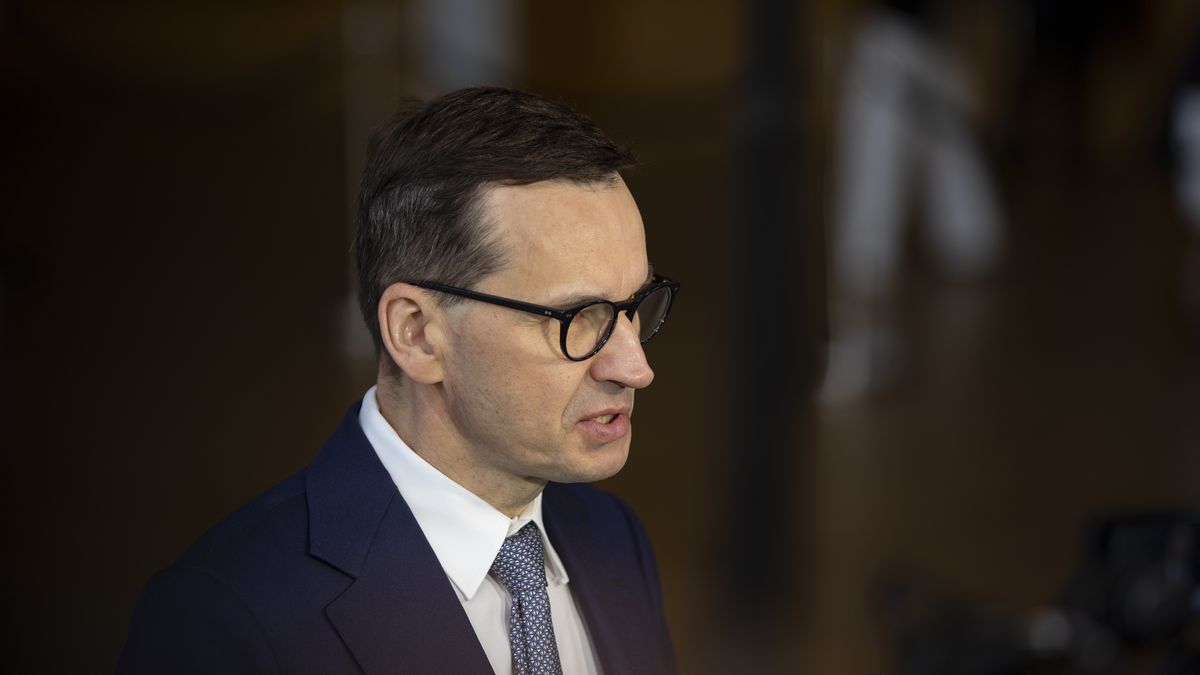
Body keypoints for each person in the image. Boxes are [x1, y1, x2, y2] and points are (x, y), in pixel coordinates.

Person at [118, 87, 679, 675]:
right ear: (416, 334)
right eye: (576, 317)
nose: (635, 366)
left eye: (635, 304)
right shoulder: (225, 620)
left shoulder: (613, 540)